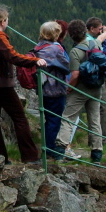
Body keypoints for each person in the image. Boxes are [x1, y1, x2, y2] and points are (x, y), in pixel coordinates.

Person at [0, 6, 46, 164]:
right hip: (1, 84)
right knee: (20, 118)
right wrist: (35, 61)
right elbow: (13, 57)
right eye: (7, 20)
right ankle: (30, 157)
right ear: (3, 21)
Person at [54, 19, 104, 163]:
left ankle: (59, 150)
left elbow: (75, 75)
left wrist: (69, 88)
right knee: (94, 120)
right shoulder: (96, 44)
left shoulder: (75, 51)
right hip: (96, 88)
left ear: (71, 35)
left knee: (67, 117)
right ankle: (97, 154)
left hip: (80, 90)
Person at [34, 21, 70, 160]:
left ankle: (46, 146)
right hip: (55, 88)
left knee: (48, 119)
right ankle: (49, 149)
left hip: (42, 87)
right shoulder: (55, 49)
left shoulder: (38, 46)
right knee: (55, 119)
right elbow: (67, 66)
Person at [86, 16, 106, 143]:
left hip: (88, 75)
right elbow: (105, 53)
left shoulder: (84, 39)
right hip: (95, 77)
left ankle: (94, 138)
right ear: (92, 28)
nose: (101, 31)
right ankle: (101, 139)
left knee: (92, 108)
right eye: (100, 29)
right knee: (102, 108)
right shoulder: (92, 41)